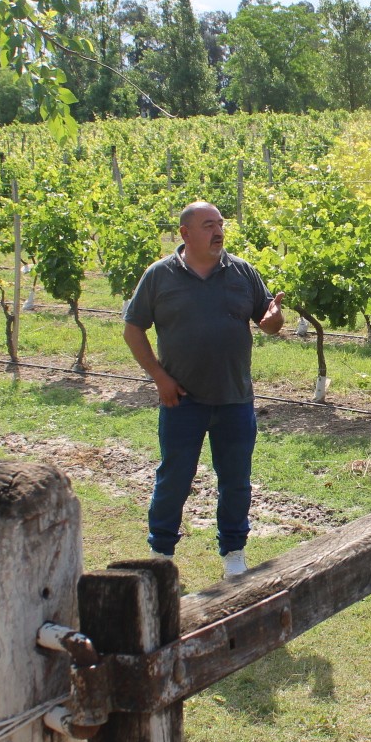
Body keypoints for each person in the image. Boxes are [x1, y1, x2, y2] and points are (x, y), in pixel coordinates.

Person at [123, 202, 284, 579]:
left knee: (236, 480)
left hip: (235, 399)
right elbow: (133, 328)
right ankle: (160, 554)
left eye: (221, 224)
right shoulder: (159, 276)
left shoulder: (242, 272)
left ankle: (233, 552)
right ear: (185, 233)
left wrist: (274, 320)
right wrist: (159, 377)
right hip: (182, 400)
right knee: (175, 477)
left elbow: (268, 321)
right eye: (208, 225)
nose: (218, 231)